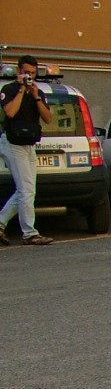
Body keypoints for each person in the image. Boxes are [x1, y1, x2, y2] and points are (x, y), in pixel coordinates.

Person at [0, 55, 55, 246]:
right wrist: (22, 90)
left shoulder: (38, 92)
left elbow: (48, 118)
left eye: (32, 73)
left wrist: (36, 95)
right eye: (26, 72)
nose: (29, 76)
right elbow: (10, 112)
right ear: (19, 71)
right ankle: (29, 233)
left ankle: (0, 223)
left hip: (30, 145)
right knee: (26, 190)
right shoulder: (9, 89)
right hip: (13, 144)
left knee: (27, 190)